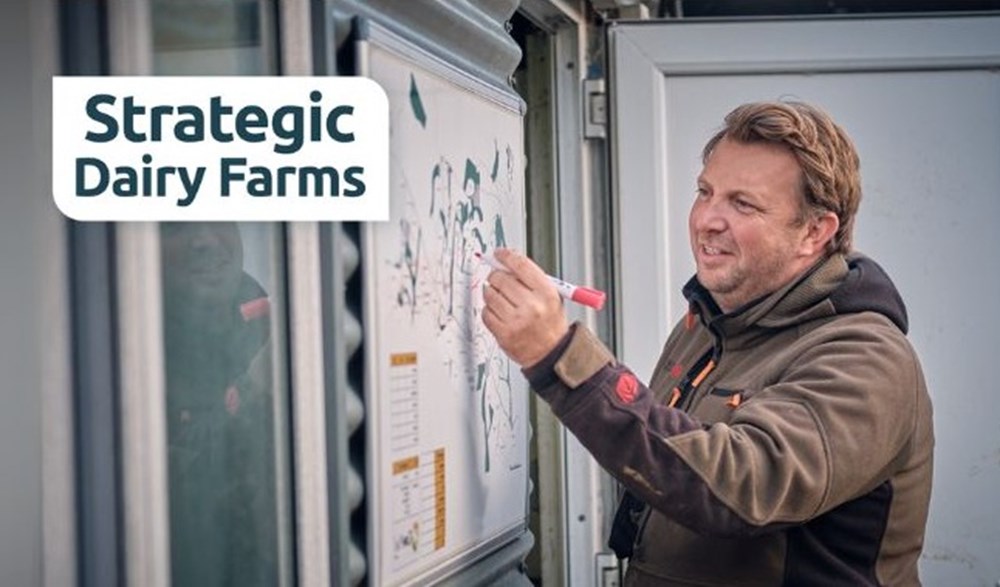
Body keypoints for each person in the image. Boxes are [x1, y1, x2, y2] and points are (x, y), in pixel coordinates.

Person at [482, 101, 934, 586]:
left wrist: (560, 356)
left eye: (743, 204)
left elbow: (739, 489)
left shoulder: (865, 357)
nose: (706, 221)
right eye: (705, 192)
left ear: (814, 231)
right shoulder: (711, 321)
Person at [160, 222, 278, 587]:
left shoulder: (278, 331)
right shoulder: (109, 359)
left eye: (221, 218)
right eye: (175, 227)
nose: (205, 240)